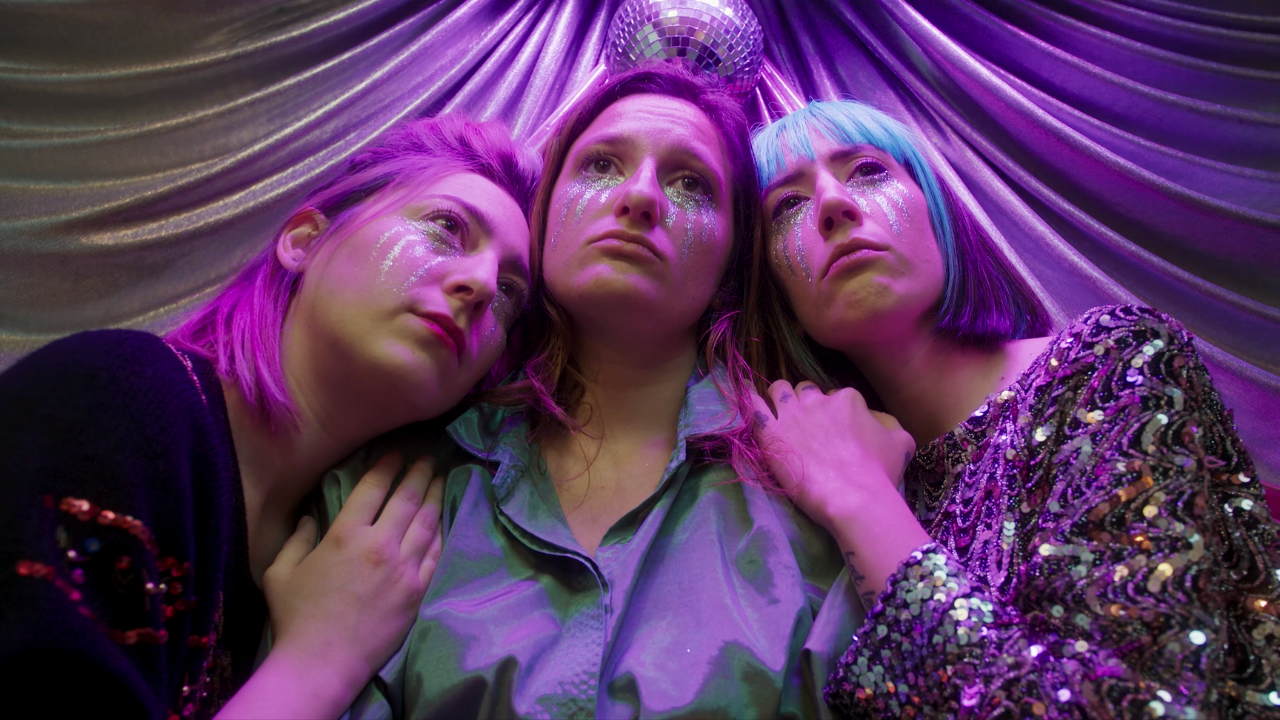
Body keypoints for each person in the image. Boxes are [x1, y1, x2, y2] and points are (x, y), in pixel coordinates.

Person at [318, 63, 858, 720]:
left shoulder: (817, 482)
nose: (641, 197)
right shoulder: (399, 487)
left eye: (691, 184)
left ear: (731, 259)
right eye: (601, 165)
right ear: (541, 218)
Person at [745, 99, 1280, 718]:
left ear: (938, 216)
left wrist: (860, 502)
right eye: (787, 206)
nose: (833, 204)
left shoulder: (1108, 361)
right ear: (778, 296)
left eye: (868, 171)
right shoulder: (826, 487)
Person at [0, 115, 539, 720]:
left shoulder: (355, 559)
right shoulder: (114, 399)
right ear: (304, 240)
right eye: (446, 227)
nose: (481, 286)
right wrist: (319, 661)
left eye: (510, 293)